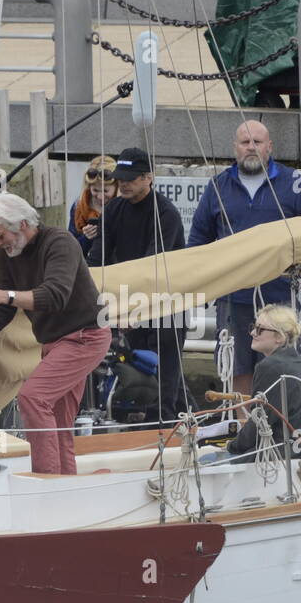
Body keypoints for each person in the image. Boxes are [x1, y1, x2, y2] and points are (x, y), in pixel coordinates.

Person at [0, 193, 110, 475]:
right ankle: (65, 486)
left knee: (32, 398)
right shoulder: (8, 253)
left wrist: (4, 294)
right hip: (53, 342)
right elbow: (4, 307)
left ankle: (45, 480)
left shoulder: (60, 243)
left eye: (0, 236)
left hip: (85, 337)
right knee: (59, 420)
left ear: (22, 224)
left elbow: (54, 296)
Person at [188, 120, 301, 397]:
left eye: (257, 142)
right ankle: (244, 430)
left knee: (282, 366)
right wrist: (197, 283)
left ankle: (279, 426)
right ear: (235, 148)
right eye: (245, 142)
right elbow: (198, 239)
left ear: (269, 147)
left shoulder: (294, 184)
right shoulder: (218, 186)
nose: (251, 147)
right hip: (233, 297)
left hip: (279, 296)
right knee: (237, 365)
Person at [87, 146, 190, 424]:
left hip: (167, 303)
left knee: (166, 374)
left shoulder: (165, 214)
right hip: (129, 301)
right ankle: (165, 418)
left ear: (148, 178)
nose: (124, 184)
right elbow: (97, 257)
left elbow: (152, 265)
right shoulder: (115, 209)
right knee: (134, 368)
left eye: (131, 179)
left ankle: (168, 424)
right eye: (121, 178)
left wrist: (134, 309)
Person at [218, 305, 301, 465]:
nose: (252, 333)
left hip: (284, 454)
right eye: (253, 327)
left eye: (259, 329)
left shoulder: (270, 367)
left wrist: (232, 447)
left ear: (279, 337)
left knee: (210, 461)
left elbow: (259, 424)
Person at [68, 154, 117, 259]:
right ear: (88, 186)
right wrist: (86, 238)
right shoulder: (78, 207)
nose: (100, 196)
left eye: (105, 191)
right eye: (95, 190)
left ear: (116, 186)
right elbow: (70, 249)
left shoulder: (123, 207)